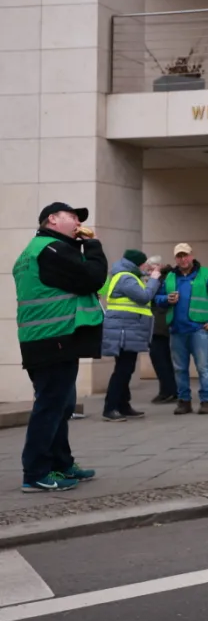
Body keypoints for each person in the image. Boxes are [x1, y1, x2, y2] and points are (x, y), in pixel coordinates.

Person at [13, 202, 106, 493]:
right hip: (54, 338)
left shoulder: (36, 251)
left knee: (61, 405)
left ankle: (61, 463)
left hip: (45, 338)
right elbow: (92, 278)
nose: (78, 223)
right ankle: (36, 472)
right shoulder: (52, 249)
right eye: (73, 217)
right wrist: (93, 246)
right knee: (51, 406)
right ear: (52, 219)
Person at [154, 242, 208, 415]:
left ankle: (206, 401)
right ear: (175, 259)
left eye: (185, 255)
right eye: (179, 256)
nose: (183, 259)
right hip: (177, 330)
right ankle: (184, 401)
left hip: (199, 329)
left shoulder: (207, 275)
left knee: (203, 367)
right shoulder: (170, 277)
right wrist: (166, 299)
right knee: (180, 368)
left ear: (192, 256)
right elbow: (156, 298)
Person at [99, 250, 162, 422]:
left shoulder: (126, 275)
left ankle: (123, 405)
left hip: (127, 328)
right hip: (124, 329)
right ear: (137, 263)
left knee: (126, 368)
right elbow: (144, 297)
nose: (145, 267)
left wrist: (148, 278)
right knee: (123, 370)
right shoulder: (125, 277)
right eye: (143, 264)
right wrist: (154, 280)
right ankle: (110, 408)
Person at [145, 254, 178, 405]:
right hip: (160, 323)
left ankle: (167, 391)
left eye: (150, 269)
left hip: (159, 324)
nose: (148, 272)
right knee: (163, 359)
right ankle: (170, 390)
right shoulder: (167, 277)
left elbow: (154, 299)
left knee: (160, 359)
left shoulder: (161, 280)